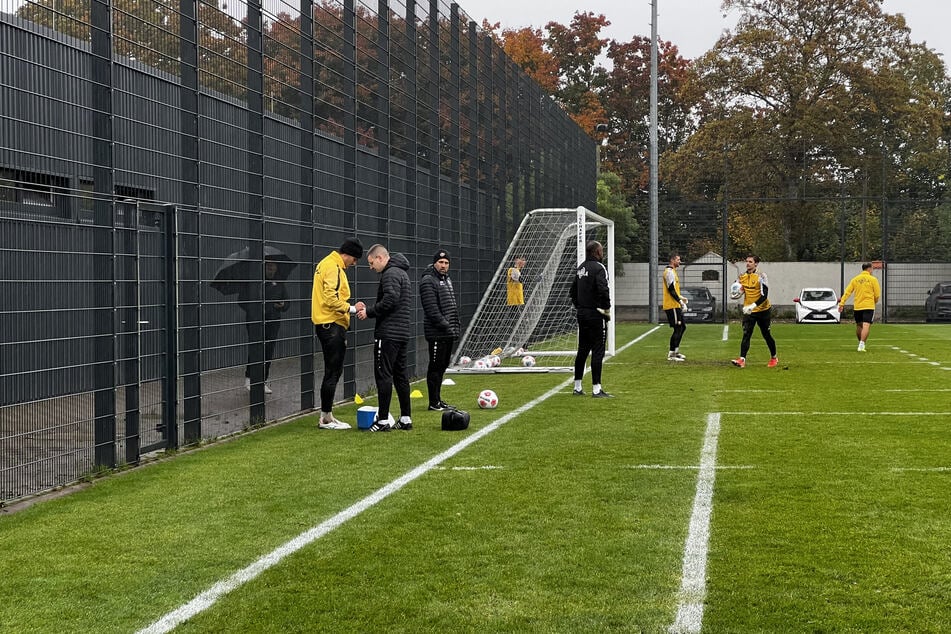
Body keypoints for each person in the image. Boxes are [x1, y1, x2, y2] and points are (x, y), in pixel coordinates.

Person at [357, 244, 413, 432]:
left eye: (372, 263)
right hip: (402, 332)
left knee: (384, 375)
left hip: (388, 333)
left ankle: (382, 421)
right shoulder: (403, 273)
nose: (371, 268)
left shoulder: (390, 274)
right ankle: (405, 418)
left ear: (380, 258)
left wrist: (369, 312)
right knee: (400, 376)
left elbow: (390, 299)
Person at [311, 237, 365, 430]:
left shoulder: (327, 264)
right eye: (355, 259)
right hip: (331, 325)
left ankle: (328, 415)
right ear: (348, 254)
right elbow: (331, 298)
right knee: (333, 371)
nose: (354, 263)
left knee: (332, 371)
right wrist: (351, 309)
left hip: (328, 324)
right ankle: (325, 418)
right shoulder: (333, 266)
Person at [570, 240, 613, 397]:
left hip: (582, 313)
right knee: (598, 349)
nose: (602, 253)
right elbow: (603, 289)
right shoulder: (599, 268)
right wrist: (606, 309)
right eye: (601, 250)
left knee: (582, 349)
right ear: (596, 252)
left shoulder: (580, 268)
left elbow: (572, 291)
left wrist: (580, 306)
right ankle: (596, 388)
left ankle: (577, 387)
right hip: (596, 313)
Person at [419, 248, 460, 411]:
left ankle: (438, 399)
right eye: (441, 262)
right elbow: (431, 309)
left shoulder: (447, 279)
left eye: (446, 263)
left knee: (442, 366)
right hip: (437, 332)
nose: (444, 265)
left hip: (448, 332)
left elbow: (450, 306)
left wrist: (454, 326)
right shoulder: (428, 280)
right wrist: (445, 325)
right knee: (435, 366)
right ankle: (433, 402)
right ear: (435, 263)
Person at [240, 259, 289, 394]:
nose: (271, 270)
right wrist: (256, 309)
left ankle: (263, 381)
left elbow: (287, 302)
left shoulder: (279, 283)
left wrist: (283, 305)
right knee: (256, 348)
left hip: (273, 322)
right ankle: (249, 379)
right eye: (268, 267)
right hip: (256, 321)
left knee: (268, 350)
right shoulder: (255, 283)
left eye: (273, 267)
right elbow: (241, 300)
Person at [731, 255, 778, 368]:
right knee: (746, 334)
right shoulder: (741, 276)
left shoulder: (761, 276)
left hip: (763, 310)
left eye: (750, 262)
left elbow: (764, 295)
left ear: (756, 264)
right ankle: (742, 359)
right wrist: (735, 294)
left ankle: (774, 357)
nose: (747, 264)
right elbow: (738, 289)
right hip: (749, 311)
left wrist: (753, 305)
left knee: (766, 334)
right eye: (746, 261)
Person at [838, 262, 882, 352]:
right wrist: (875, 301)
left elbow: (847, 292)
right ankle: (861, 344)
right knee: (866, 325)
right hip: (868, 306)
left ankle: (860, 343)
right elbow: (877, 294)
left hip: (858, 306)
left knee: (859, 325)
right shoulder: (873, 279)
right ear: (869, 269)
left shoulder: (855, 279)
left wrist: (841, 304)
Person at [662, 252, 687, 362]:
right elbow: (670, 290)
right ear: (672, 260)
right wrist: (680, 302)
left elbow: (674, 290)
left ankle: (675, 351)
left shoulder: (673, 272)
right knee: (678, 328)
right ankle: (671, 354)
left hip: (675, 304)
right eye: (678, 259)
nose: (679, 261)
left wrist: (681, 297)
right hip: (671, 305)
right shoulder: (669, 272)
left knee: (682, 327)